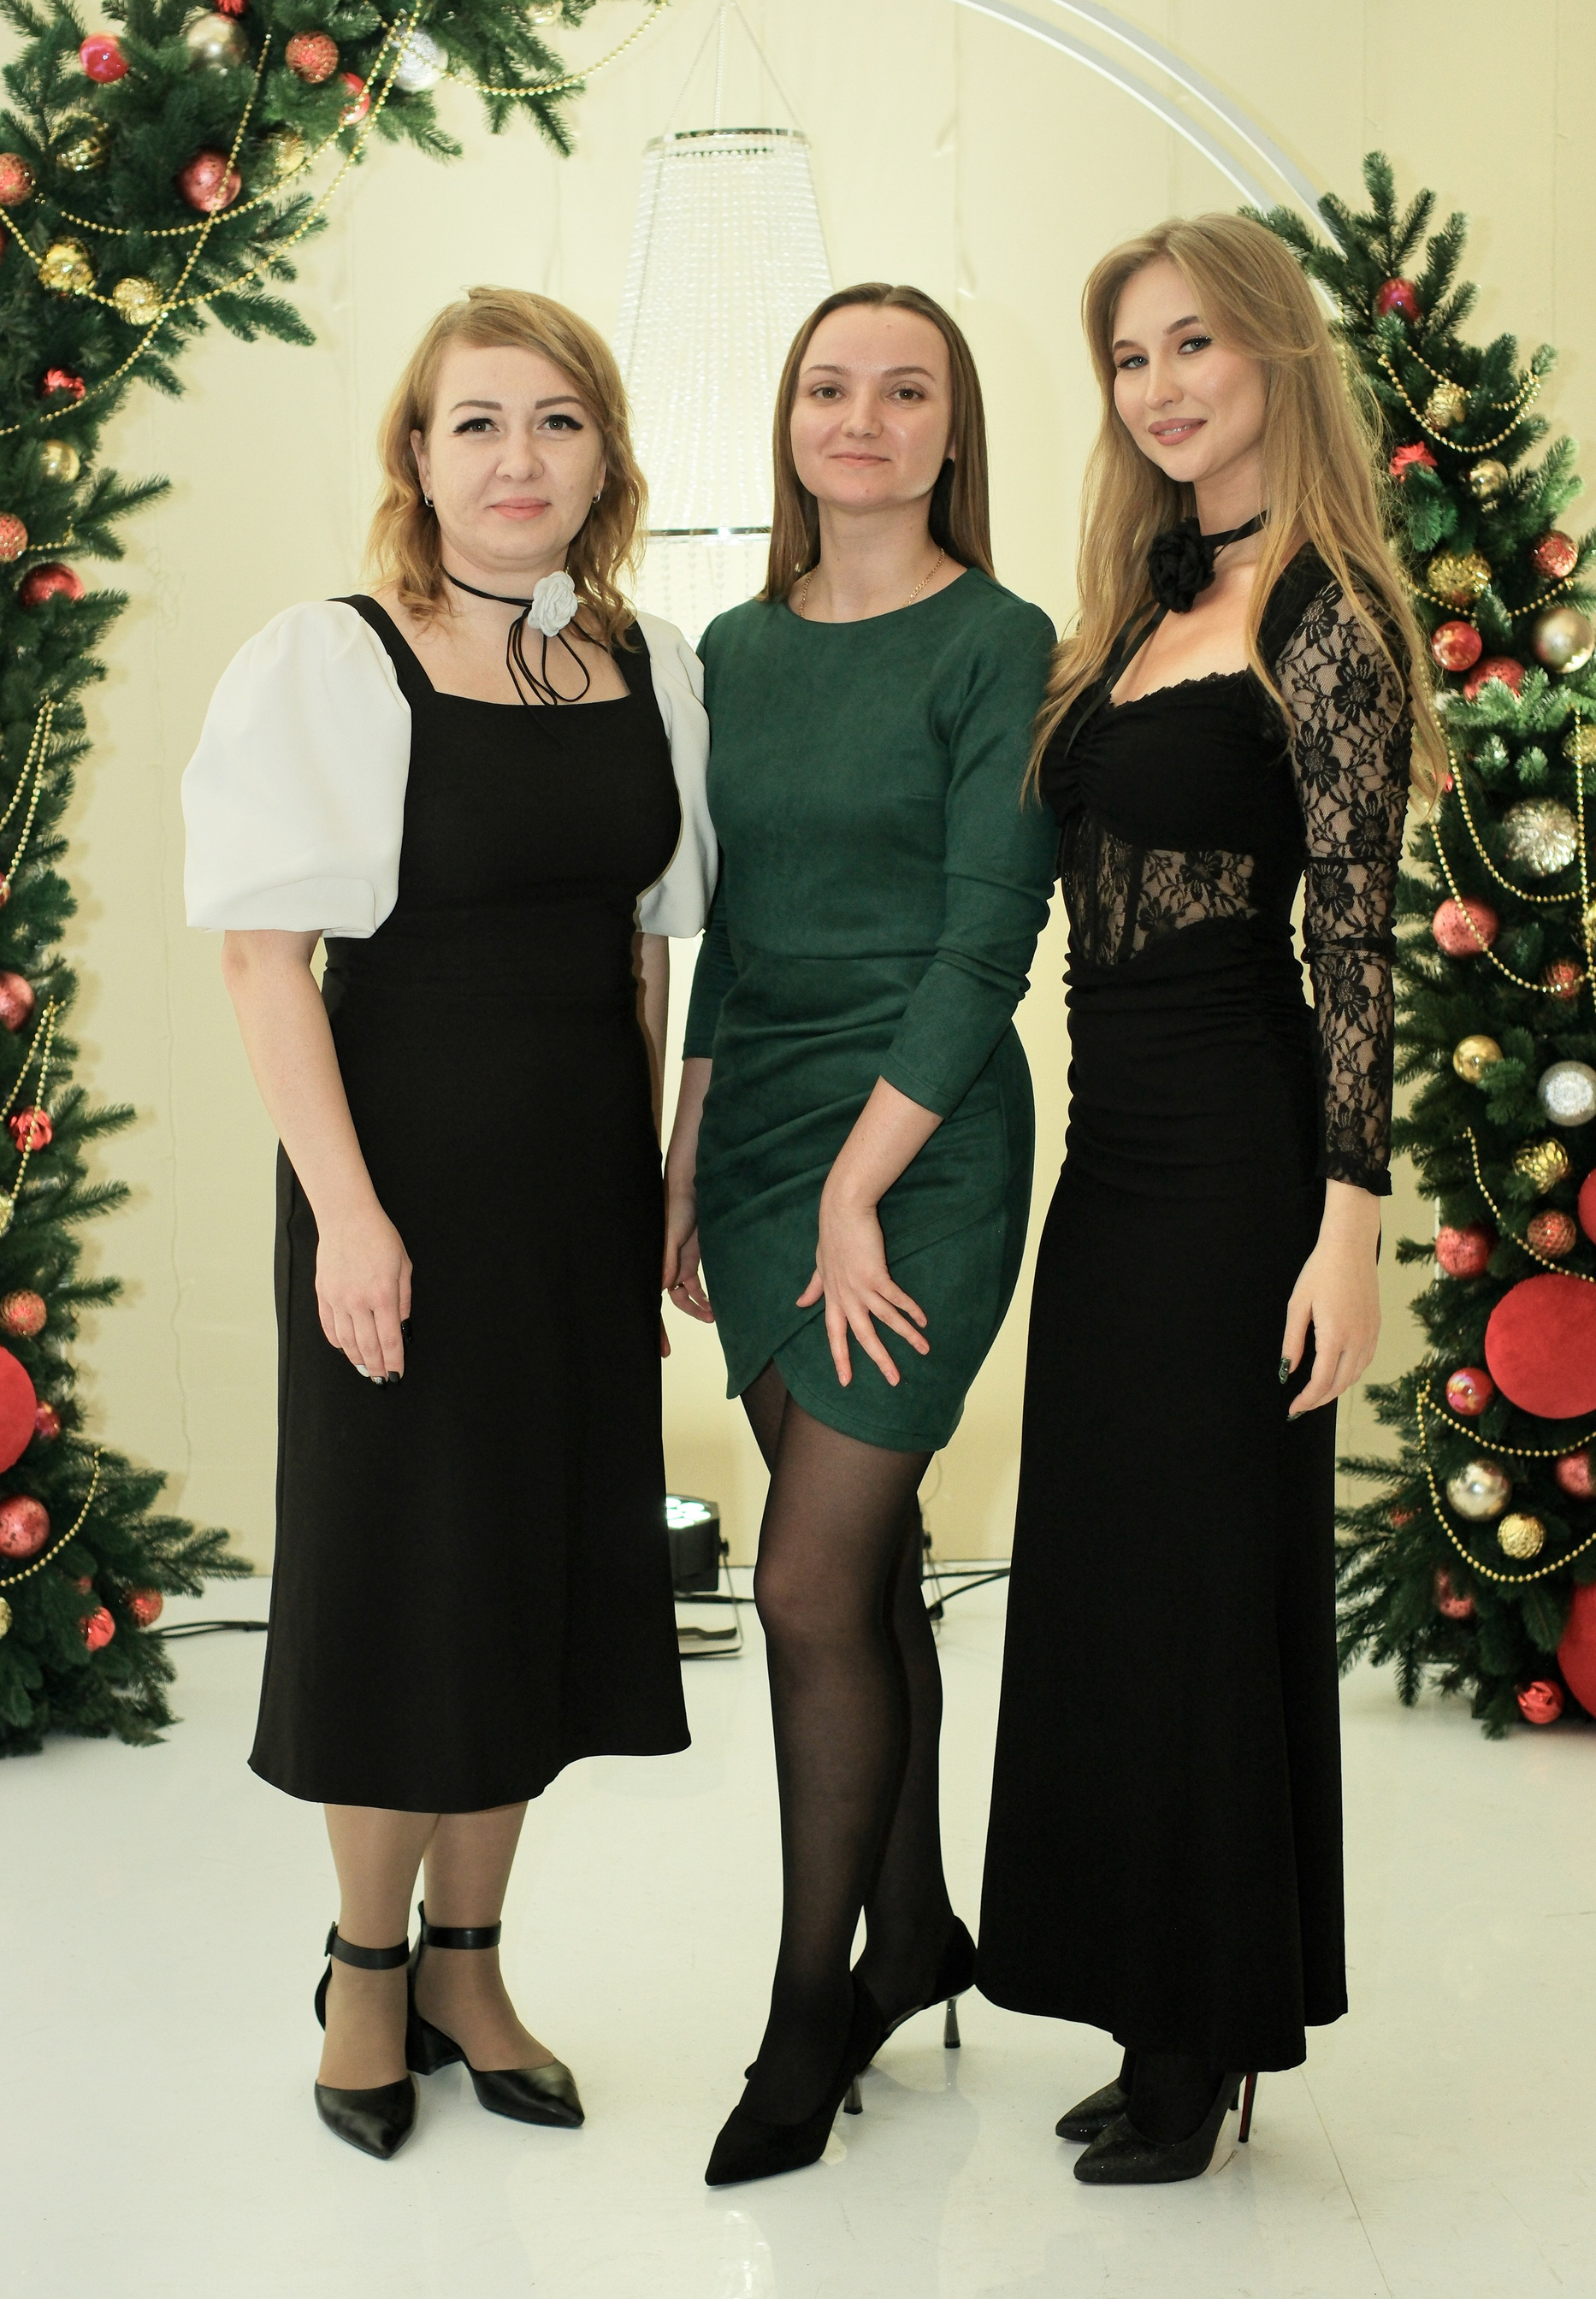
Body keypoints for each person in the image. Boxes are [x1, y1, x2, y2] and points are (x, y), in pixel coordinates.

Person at [182, 287, 713, 2161]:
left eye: (557, 420)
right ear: (416, 456)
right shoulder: (331, 660)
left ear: (605, 456)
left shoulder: (649, 663)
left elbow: (650, 950)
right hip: (394, 1181)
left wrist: (660, 1182)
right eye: (476, 422)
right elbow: (266, 962)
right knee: (405, 1576)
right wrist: (349, 1218)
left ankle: (473, 1968)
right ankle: (366, 1966)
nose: (517, 458)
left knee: (535, 1573)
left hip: (575, 1192)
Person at [977, 214, 1437, 2184]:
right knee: (1112, 1578)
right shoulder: (1145, 595)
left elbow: (1358, 947)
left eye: (1193, 345)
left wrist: (1348, 1233)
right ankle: (1143, 1999)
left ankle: (1208, 2032)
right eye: (1129, 356)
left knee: (1203, 1588)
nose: (1158, 387)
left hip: (1244, 1167)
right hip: (1114, 1161)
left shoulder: (1328, 615)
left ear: (1274, 356)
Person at [664, 282, 1057, 2187]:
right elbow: (728, 934)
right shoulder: (732, 649)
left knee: (809, 1586)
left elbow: (990, 944)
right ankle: (915, 1934)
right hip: (761, 1145)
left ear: (952, 430)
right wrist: (688, 1162)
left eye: (907, 391)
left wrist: (855, 1188)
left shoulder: (1002, 640)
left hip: (928, 1140)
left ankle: (806, 2009)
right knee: (870, 1567)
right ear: (789, 418)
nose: (864, 419)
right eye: (830, 386)